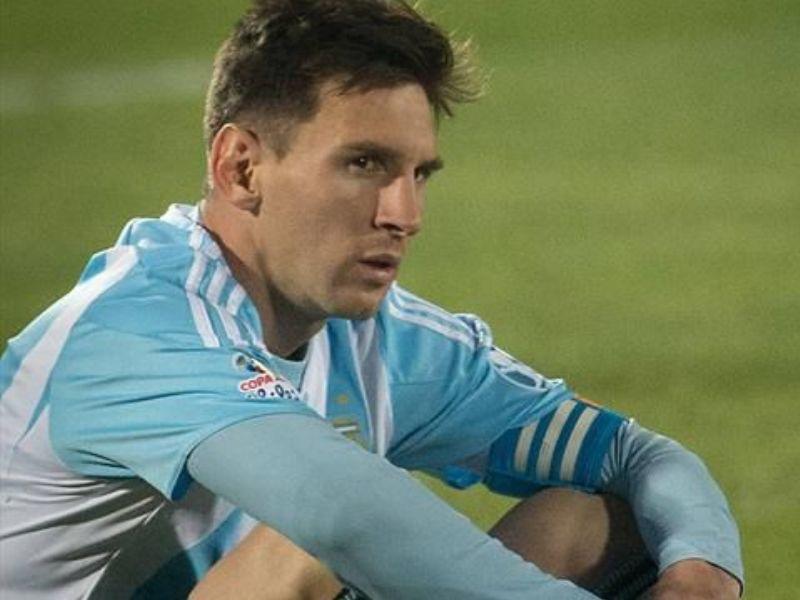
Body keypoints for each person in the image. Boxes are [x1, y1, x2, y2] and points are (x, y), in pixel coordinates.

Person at [0, 0, 743, 598]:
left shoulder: (381, 341)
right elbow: (340, 517)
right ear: (241, 168)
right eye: (364, 164)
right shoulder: (136, 329)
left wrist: (703, 574)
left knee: (598, 523)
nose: (404, 214)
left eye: (420, 175)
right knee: (316, 544)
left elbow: (636, 455)